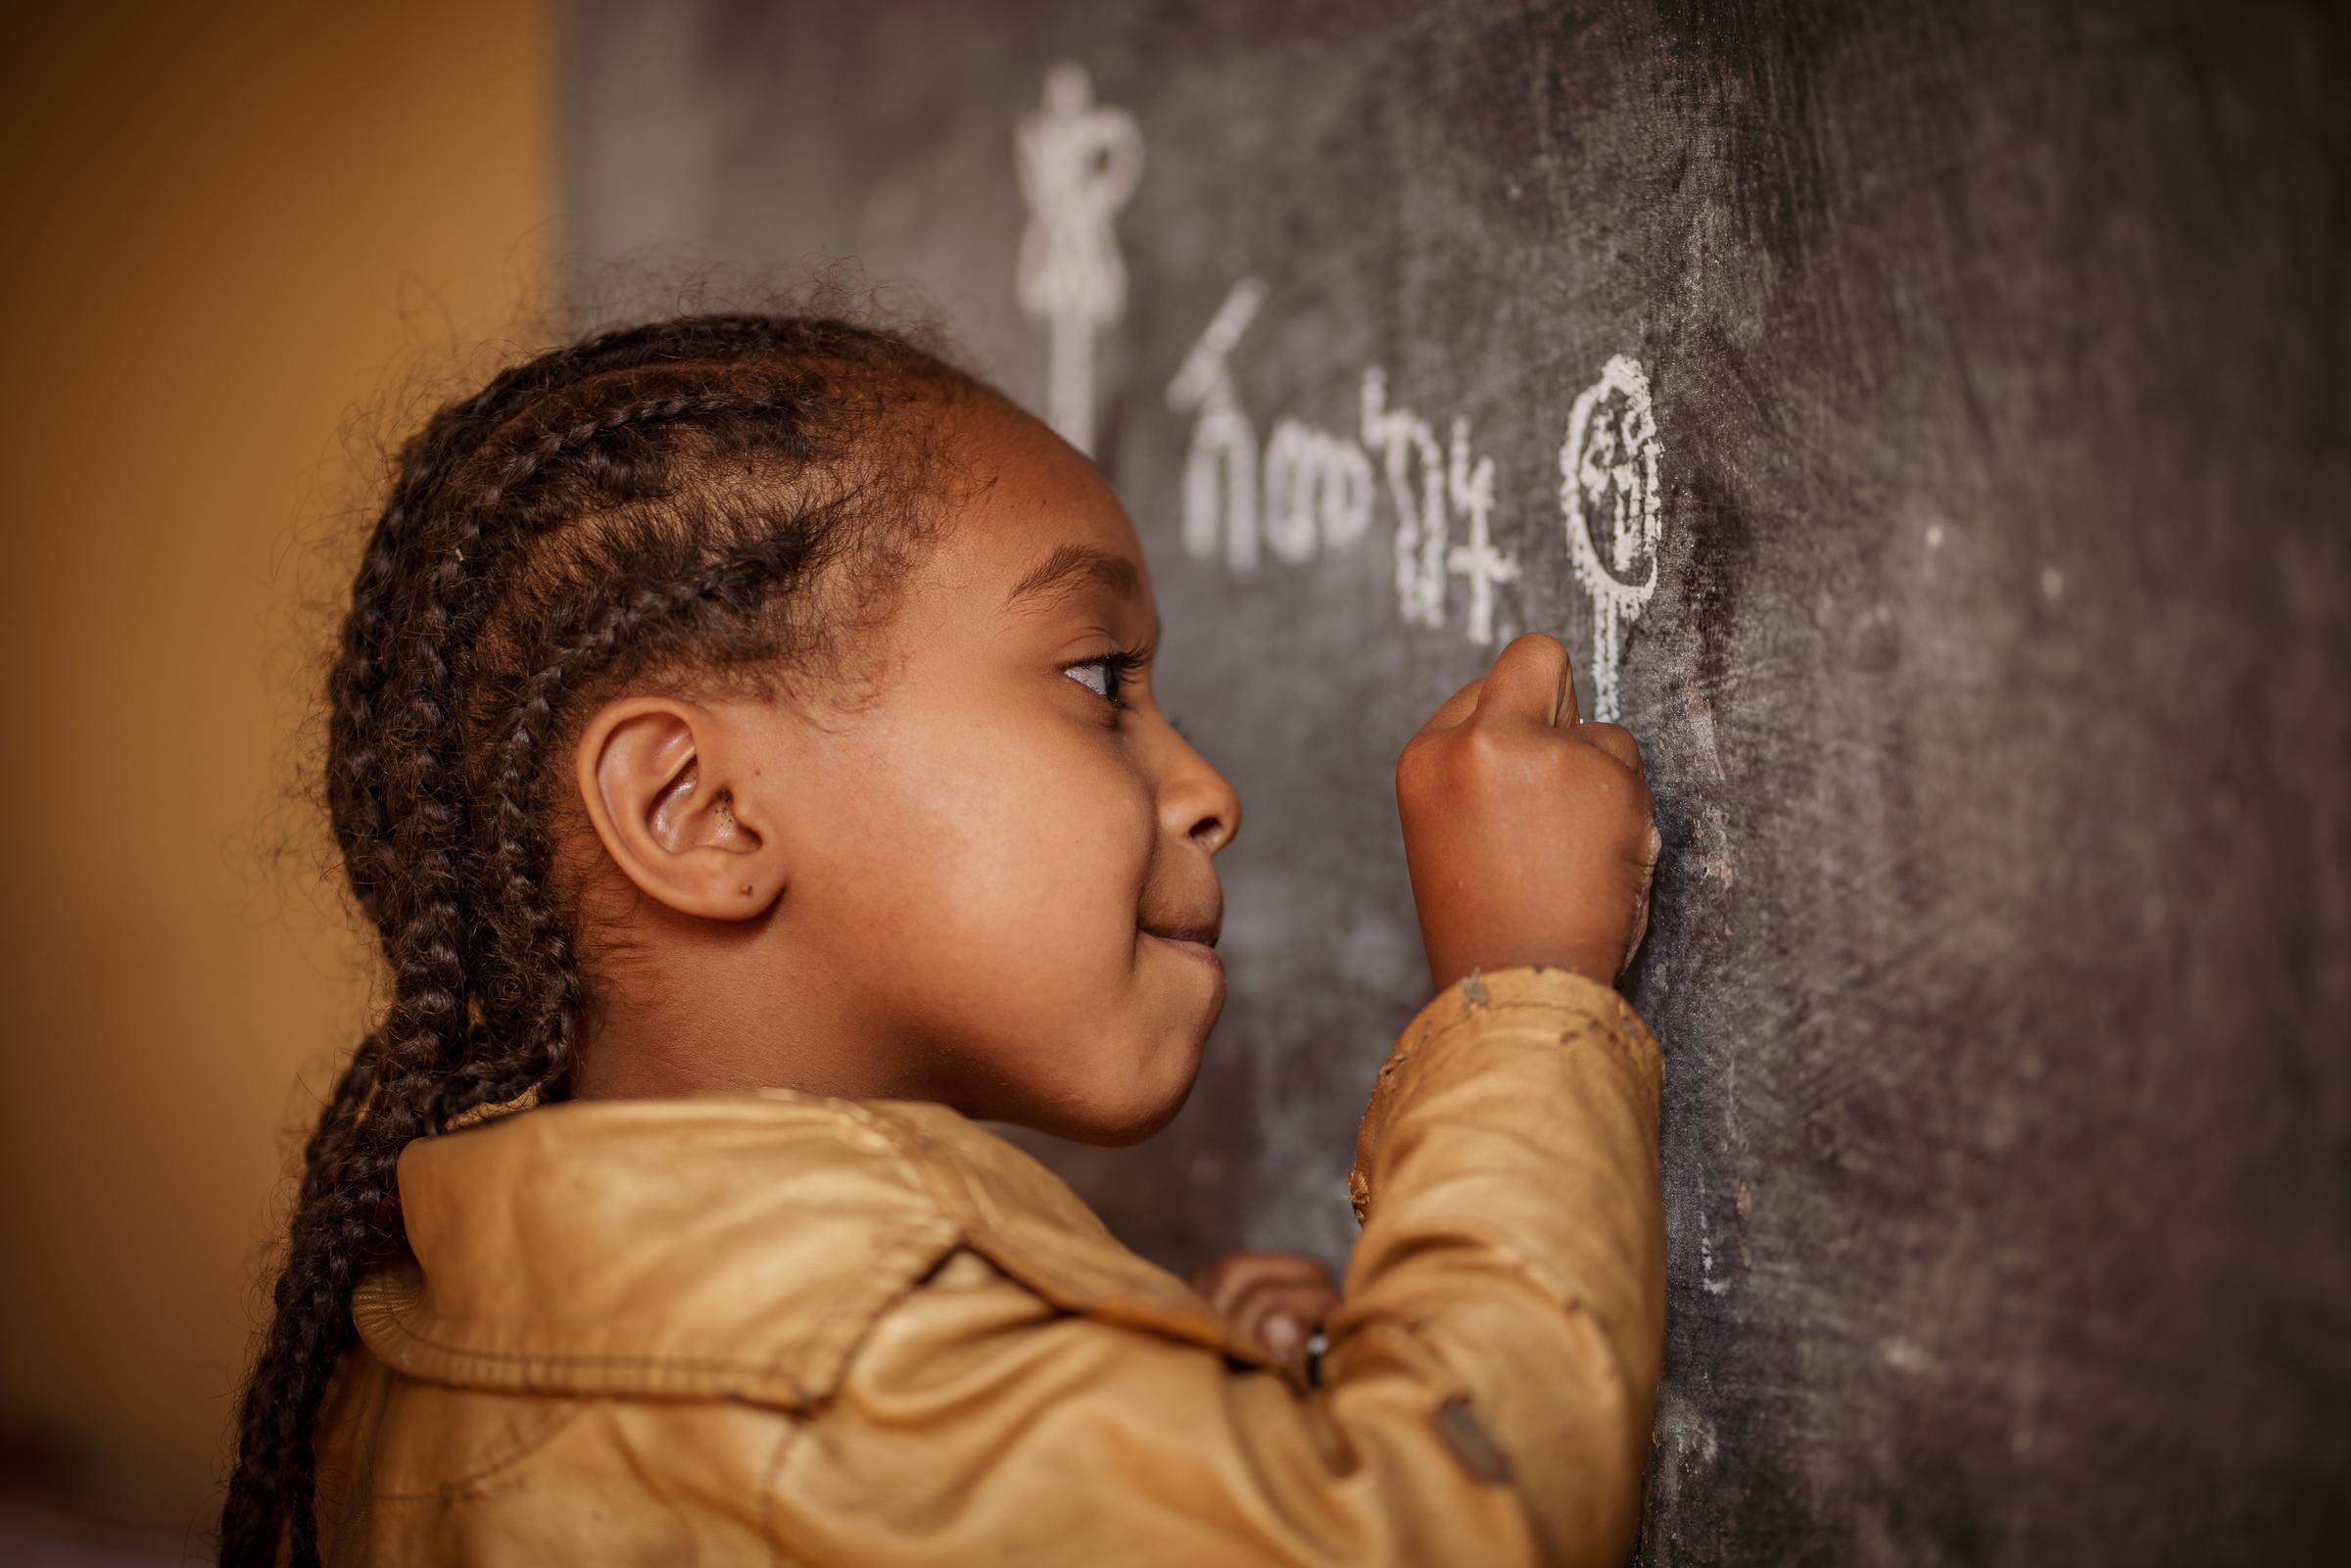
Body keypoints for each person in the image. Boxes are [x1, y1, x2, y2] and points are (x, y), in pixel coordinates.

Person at [217, 309, 1665, 1566]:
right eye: (1101, 680)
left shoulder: (454, 1336)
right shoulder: (849, 1379)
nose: (1208, 791)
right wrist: (1522, 992)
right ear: (698, 809)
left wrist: (1187, 1428)